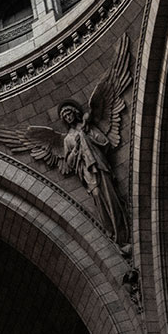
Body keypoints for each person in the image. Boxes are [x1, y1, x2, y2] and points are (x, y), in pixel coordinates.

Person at [57, 102, 129, 247]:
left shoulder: (86, 127)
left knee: (110, 195)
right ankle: (111, 230)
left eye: (69, 113)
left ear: (75, 113)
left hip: (99, 164)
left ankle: (122, 231)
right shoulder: (68, 139)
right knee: (97, 194)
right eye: (65, 116)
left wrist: (88, 133)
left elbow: (104, 142)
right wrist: (76, 147)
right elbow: (69, 162)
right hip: (87, 171)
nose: (68, 117)